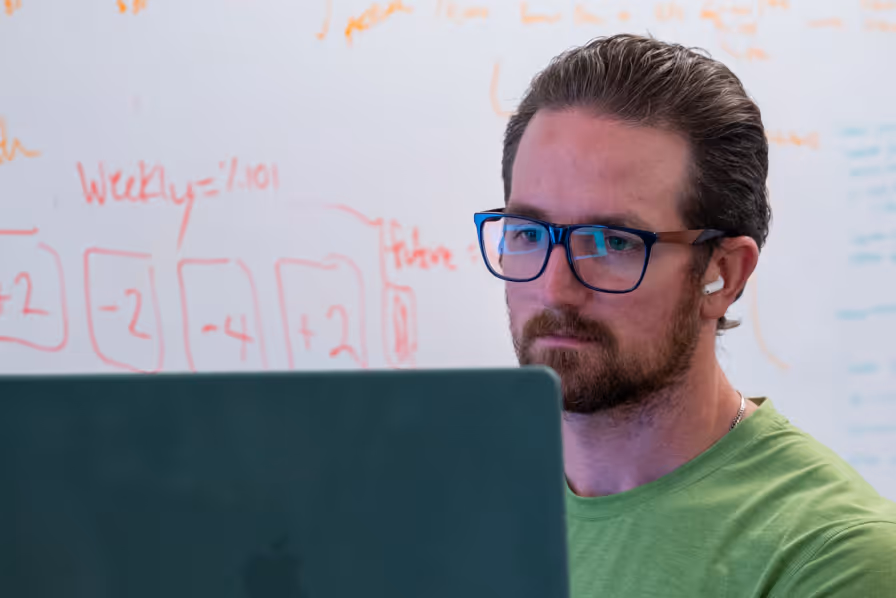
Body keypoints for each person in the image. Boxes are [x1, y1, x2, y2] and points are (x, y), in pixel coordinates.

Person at [474, 34, 896, 597]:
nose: (554, 289)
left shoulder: (832, 556)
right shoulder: (460, 500)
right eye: (528, 234)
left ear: (723, 274)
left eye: (611, 242)